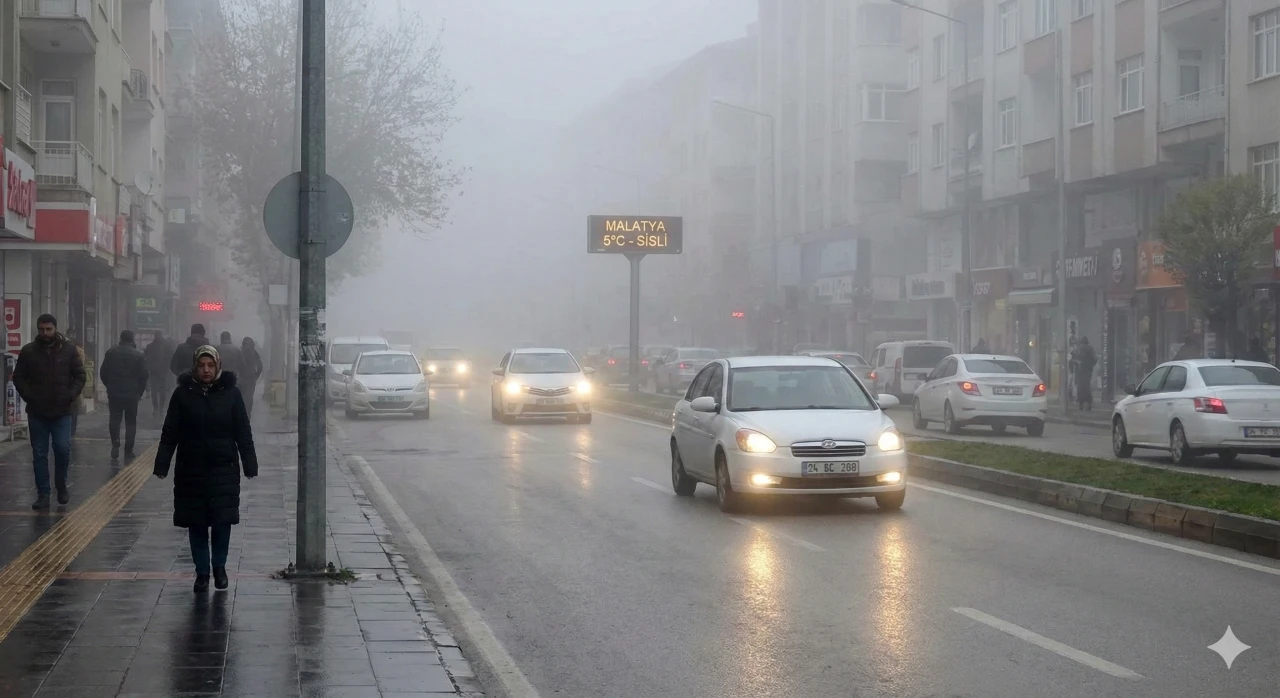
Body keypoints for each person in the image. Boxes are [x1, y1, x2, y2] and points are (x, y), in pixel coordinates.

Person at [154, 345, 257, 593]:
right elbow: (170, 432)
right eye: (202, 365)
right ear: (194, 367)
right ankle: (202, 572)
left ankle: (219, 568)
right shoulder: (182, 395)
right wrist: (162, 464)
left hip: (223, 468)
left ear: (218, 366)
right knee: (196, 522)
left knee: (222, 521)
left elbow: (243, 430)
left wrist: (250, 463)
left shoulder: (232, 394)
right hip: (191, 468)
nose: (206, 370)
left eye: (210, 365)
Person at [13, 314, 86, 509]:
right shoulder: (29, 351)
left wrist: (70, 395)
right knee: (39, 454)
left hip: (62, 411)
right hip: (37, 412)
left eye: (49, 329)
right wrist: (30, 396)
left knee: (62, 449)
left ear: (55, 328)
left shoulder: (69, 350)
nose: (45, 333)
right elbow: (18, 377)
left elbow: (80, 376)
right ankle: (43, 494)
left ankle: (61, 486)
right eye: (42, 329)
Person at [100, 330, 149, 460]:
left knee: (115, 419)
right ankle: (128, 450)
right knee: (131, 422)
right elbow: (144, 376)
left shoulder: (111, 353)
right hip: (132, 394)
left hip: (114, 392)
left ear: (121, 338)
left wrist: (109, 386)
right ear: (132, 339)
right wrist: (140, 392)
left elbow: (103, 372)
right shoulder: (139, 355)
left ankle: (115, 441)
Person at [144, 330, 174, 416]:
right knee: (161, 391)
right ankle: (159, 408)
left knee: (157, 391)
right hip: (161, 371)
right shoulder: (167, 346)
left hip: (156, 371)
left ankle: (157, 408)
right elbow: (171, 357)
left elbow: (146, 357)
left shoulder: (150, 346)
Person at [240, 336, 264, 417]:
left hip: (241, 378)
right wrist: (256, 376)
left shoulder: (241, 352)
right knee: (249, 398)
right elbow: (260, 366)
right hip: (251, 378)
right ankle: (247, 415)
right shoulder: (255, 353)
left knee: (240, 397)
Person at [1075, 336, 1098, 411]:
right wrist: (1091, 365)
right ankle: (1089, 403)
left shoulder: (1079, 349)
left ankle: (1080, 403)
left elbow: (1075, 359)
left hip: (1080, 370)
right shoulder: (1090, 349)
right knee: (1087, 386)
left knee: (1080, 386)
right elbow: (1095, 359)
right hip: (1088, 370)